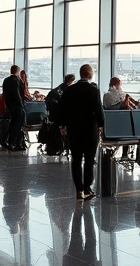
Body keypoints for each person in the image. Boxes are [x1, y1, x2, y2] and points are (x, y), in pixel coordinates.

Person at [57, 64, 105, 200]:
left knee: (76, 159)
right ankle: (87, 187)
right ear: (90, 75)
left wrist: (63, 125)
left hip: (74, 129)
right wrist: (101, 125)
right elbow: (99, 111)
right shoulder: (94, 90)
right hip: (90, 129)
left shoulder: (69, 90)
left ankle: (78, 189)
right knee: (89, 159)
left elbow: (62, 109)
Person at [0, 65, 26, 151]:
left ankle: (4, 140)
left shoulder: (6, 80)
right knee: (17, 124)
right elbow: (17, 94)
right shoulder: (16, 81)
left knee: (13, 123)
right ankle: (12, 143)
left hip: (9, 104)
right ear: (18, 71)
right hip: (17, 105)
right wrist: (21, 103)